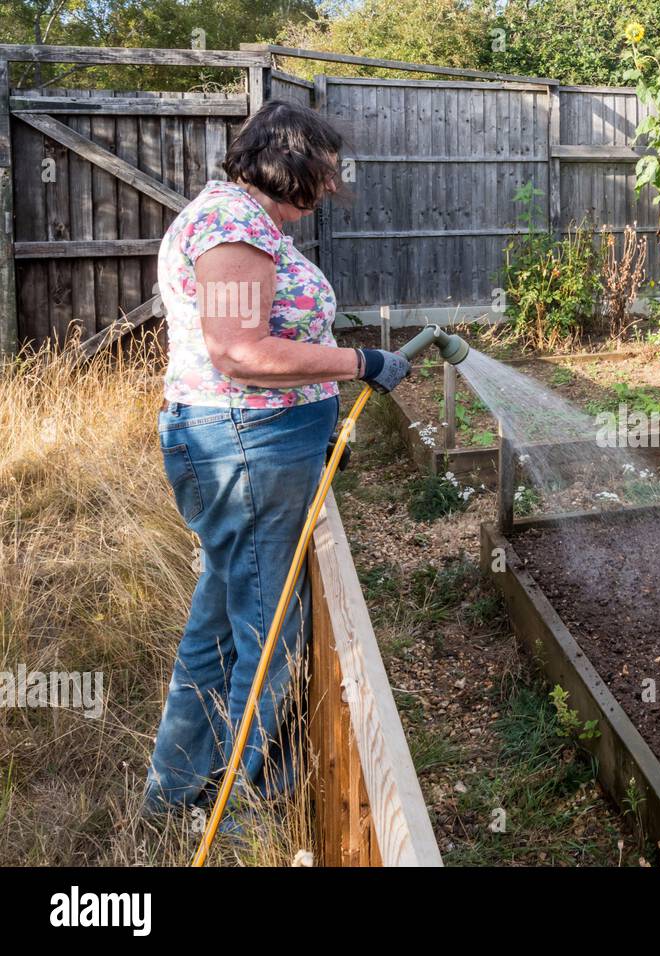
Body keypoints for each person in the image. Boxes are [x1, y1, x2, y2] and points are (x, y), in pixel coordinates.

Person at [144, 100, 410, 814]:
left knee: (224, 621)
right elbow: (241, 352)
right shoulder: (231, 224)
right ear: (289, 161)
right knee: (269, 632)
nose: (329, 187)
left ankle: (174, 792)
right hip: (244, 450)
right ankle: (239, 810)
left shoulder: (244, 221)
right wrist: (359, 360)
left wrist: (316, 422)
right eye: (322, 172)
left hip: (254, 445)